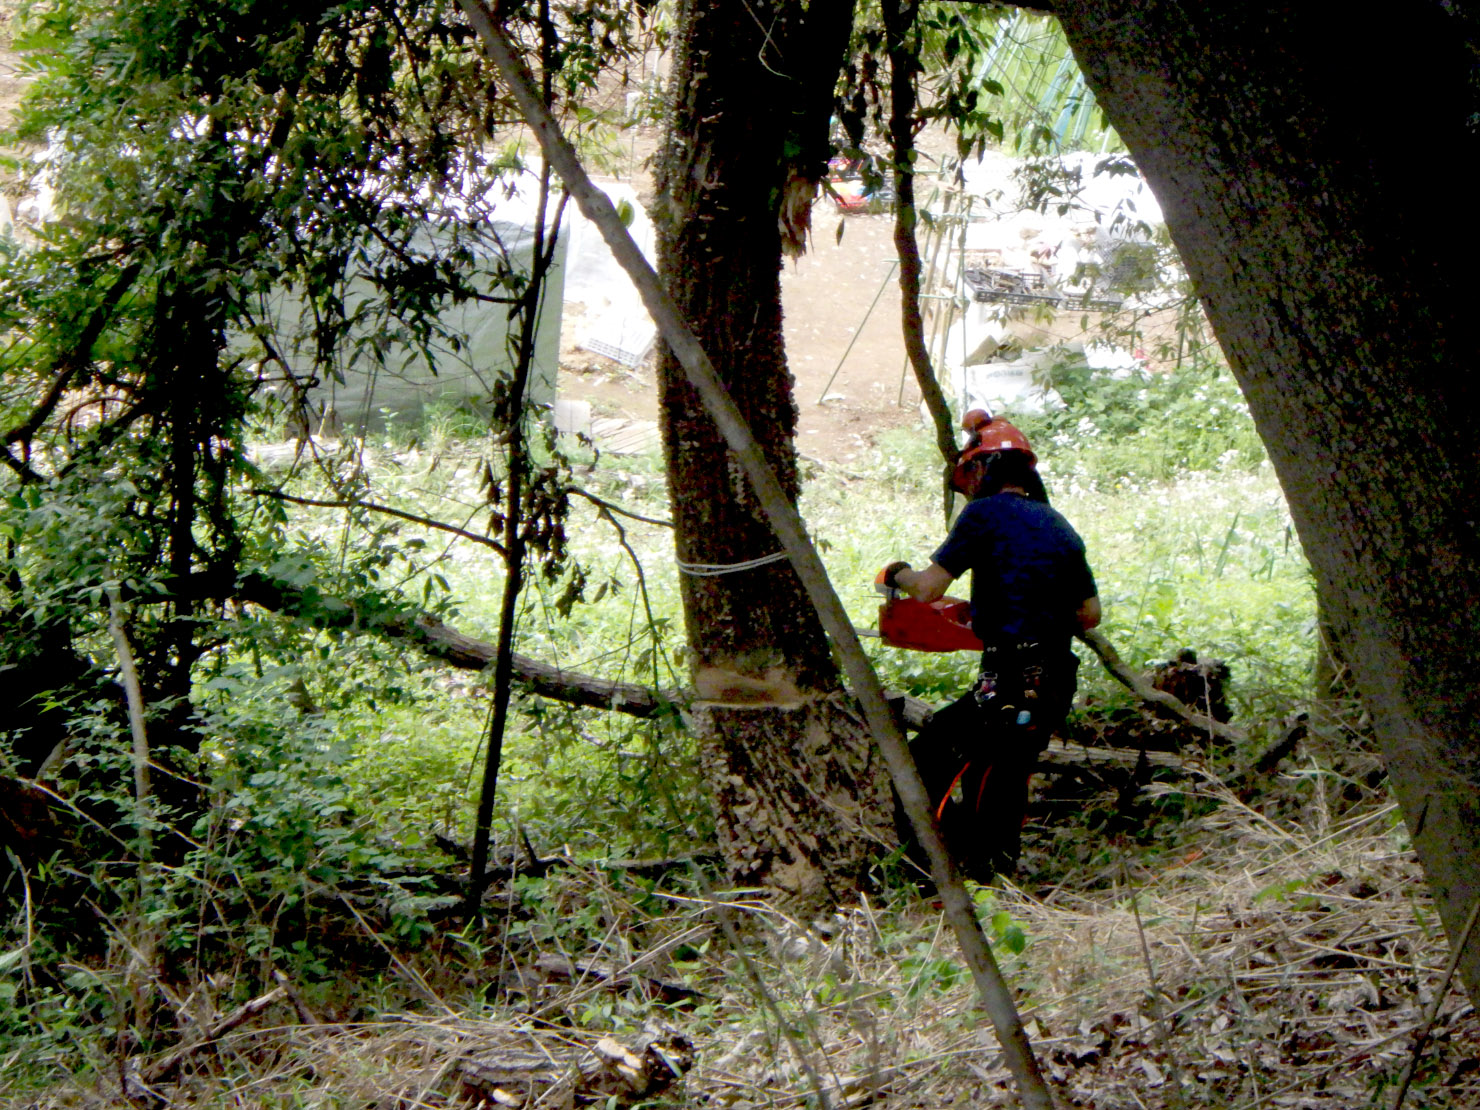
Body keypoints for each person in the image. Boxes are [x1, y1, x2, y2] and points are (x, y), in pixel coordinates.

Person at [884, 409, 1101, 882]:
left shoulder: (983, 514)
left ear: (980, 471)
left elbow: (927, 589)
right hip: (1054, 676)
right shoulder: (1059, 524)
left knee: (933, 761)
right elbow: (1090, 615)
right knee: (1002, 775)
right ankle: (994, 878)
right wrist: (1007, 610)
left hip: (1007, 676)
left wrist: (895, 573)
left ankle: (937, 874)